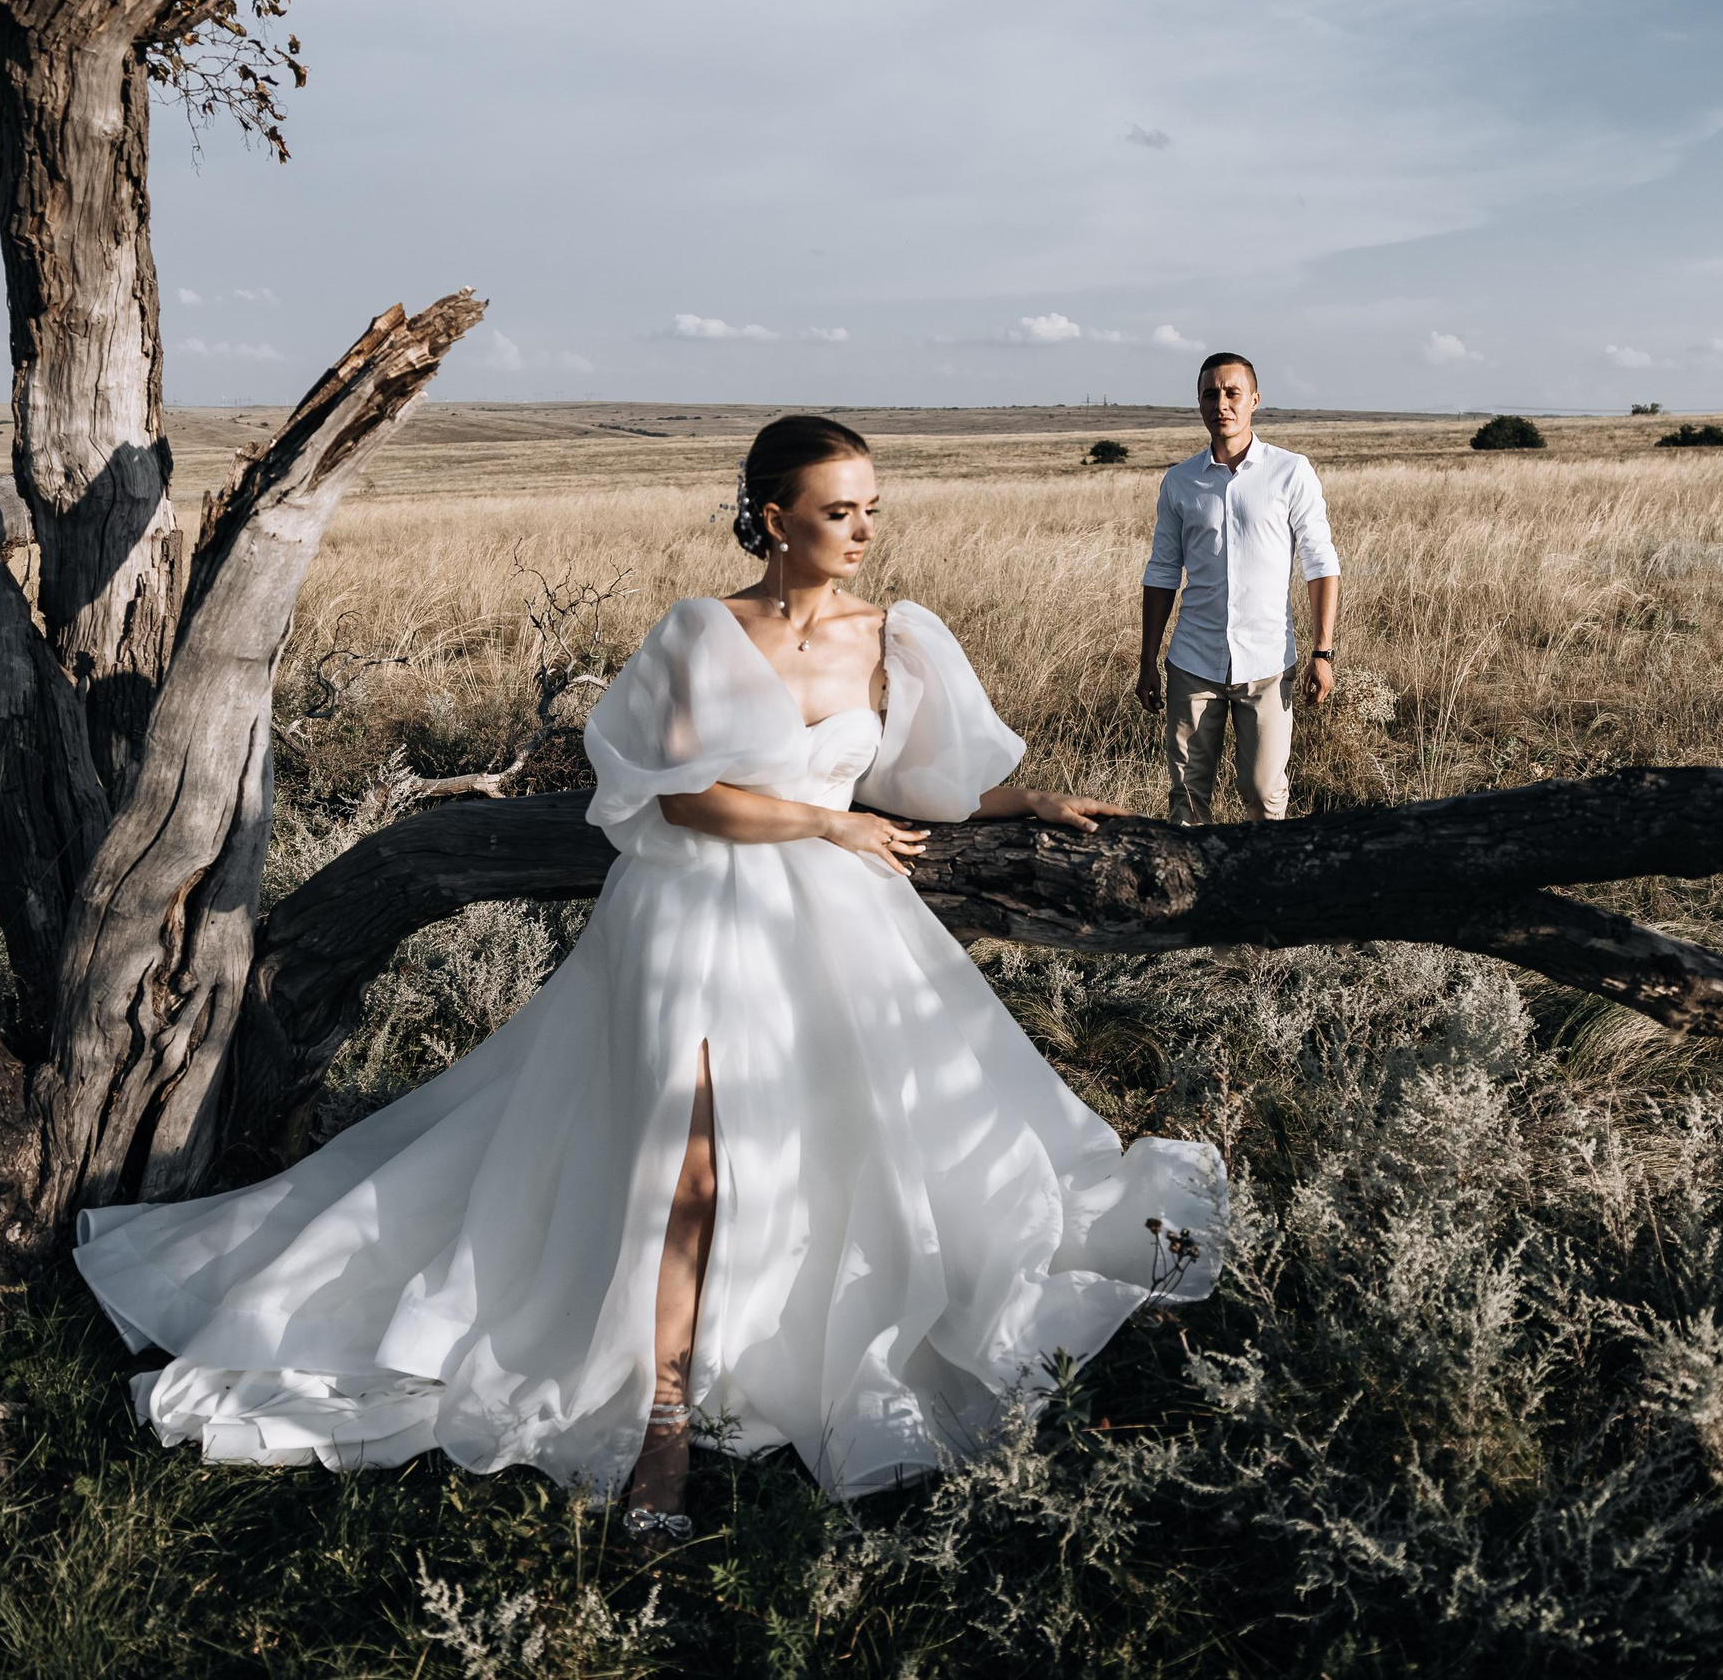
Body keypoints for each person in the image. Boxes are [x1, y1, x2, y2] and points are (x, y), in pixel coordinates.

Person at [72, 416, 1227, 1547]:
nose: (863, 529)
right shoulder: (699, 631)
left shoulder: (897, 635)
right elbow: (681, 798)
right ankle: (663, 1419)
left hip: (839, 928)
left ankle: (779, 1343)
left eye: (872, 507)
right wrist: (831, 822)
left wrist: (1026, 802)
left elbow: (926, 785)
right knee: (691, 1159)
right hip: (691, 913)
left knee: (844, 1137)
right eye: (839, 510)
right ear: (773, 519)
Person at [1135, 352, 1340, 823]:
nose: (1221, 404)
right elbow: (1163, 571)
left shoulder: (1290, 471)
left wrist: (1322, 652)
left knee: (1264, 792)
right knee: (1187, 797)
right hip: (1193, 661)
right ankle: (1190, 892)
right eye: (1211, 394)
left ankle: (1264, 893)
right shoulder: (1180, 482)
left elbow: (1320, 562)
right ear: (1200, 404)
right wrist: (1147, 661)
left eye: (1232, 393)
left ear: (1254, 400)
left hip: (1267, 661)